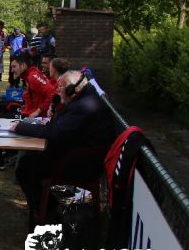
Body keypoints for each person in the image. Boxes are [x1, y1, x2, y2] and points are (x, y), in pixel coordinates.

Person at [11, 70, 116, 231]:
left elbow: (56, 132)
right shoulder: (85, 99)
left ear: (73, 89)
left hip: (79, 164)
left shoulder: (84, 106)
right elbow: (62, 127)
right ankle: (46, 207)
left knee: (25, 168)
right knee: (29, 161)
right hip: (76, 156)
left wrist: (21, 127)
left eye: (61, 88)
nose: (58, 91)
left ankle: (48, 211)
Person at [13, 54, 57, 119]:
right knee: (3, 105)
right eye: (42, 63)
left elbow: (52, 93)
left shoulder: (33, 76)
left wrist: (38, 111)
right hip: (31, 111)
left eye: (14, 67)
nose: (42, 65)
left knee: (2, 110)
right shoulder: (31, 76)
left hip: (37, 116)